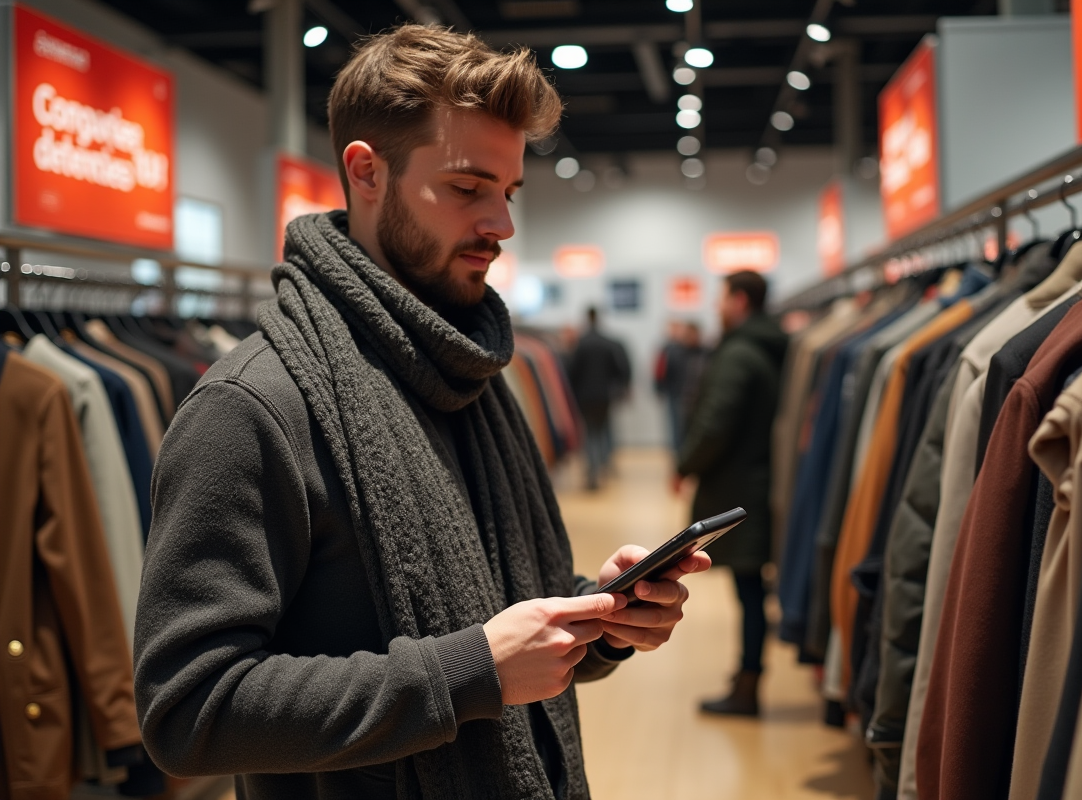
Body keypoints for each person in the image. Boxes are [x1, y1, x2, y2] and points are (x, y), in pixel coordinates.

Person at [133, 26, 709, 800]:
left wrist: (599, 619)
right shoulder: (252, 407)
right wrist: (469, 672)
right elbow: (187, 708)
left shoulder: (470, 374)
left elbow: (495, 612)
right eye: (468, 189)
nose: (501, 227)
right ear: (366, 172)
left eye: (507, 194)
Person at [676, 270, 787, 716]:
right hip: (759, 480)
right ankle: (746, 677)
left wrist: (686, 464)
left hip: (743, 488)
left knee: (749, 590)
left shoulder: (740, 352)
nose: (716, 307)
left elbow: (716, 421)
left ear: (740, 301)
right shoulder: (771, 345)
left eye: (721, 298)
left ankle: (748, 684)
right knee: (752, 588)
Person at [566, 307, 630, 490]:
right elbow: (619, 369)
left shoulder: (581, 343)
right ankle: (603, 465)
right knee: (602, 432)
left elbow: (572, 372)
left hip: (584, 396)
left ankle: (593, 472)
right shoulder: (607, 342)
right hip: (604, 395)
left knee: (589, 434)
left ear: (586, 318)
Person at [655, 320, 708, 456]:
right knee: (677, 431)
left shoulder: (706, 353)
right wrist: (661, 389)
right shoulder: (673, 351)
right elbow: (662, 372)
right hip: (677, 396)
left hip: (699, 399)